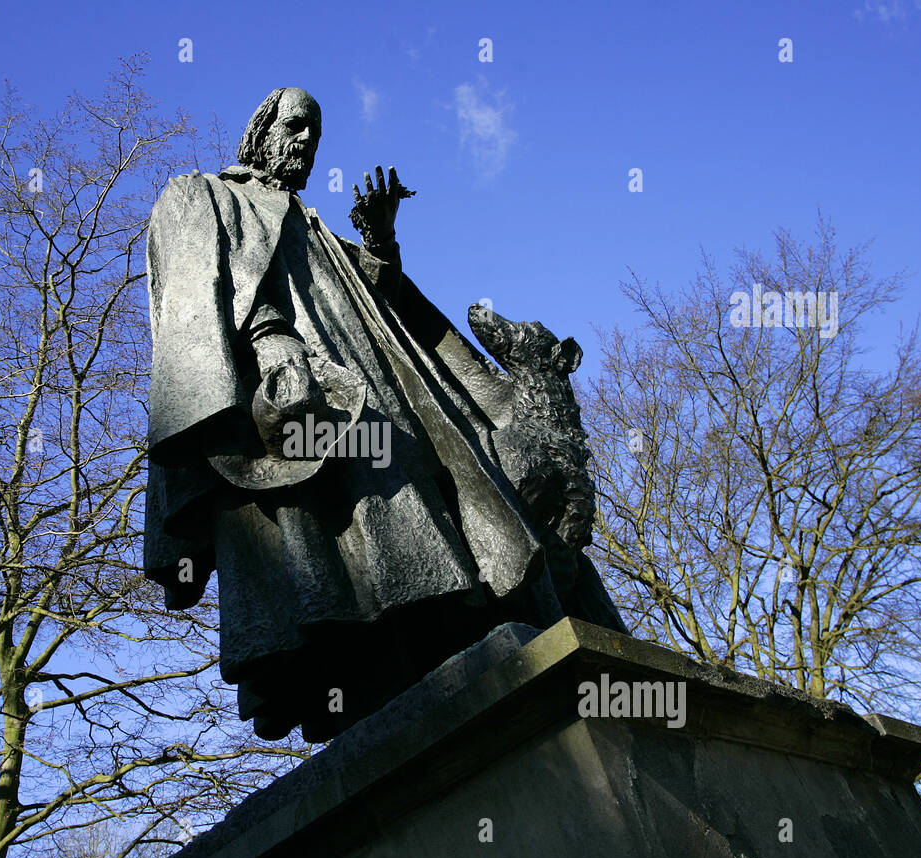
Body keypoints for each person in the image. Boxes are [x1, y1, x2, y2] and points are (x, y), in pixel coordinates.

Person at [143, 87, 616, 742]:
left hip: (380, 389)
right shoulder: (216, 197)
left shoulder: (314, 229)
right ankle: (388, 678)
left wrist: (379, 237)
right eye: (295, 125)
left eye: (315, 131)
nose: (307, 139)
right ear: (260, 131)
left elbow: (384, 299)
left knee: (421, 504)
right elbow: (206, 293)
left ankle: (439, 655)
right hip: (307, 394)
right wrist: (272, 345)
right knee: (357, 530)